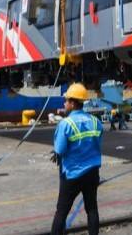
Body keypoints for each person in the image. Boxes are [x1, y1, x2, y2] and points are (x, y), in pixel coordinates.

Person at [50, 83, 103, 235]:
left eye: (66, 100)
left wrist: (56, 152)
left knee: (61, 213)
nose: (64, 103)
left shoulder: (65, 124)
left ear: (73, 103)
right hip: (92, 173)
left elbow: (59, 150)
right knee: (92, 209)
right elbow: (97, 145)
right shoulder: (95, 122)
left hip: (72, 174)